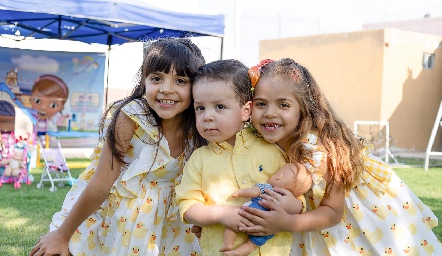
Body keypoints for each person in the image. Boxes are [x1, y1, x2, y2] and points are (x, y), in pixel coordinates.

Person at [238, 58, 442, 255]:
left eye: (283, 105)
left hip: (353, 218)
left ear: (303, 108)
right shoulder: (256, 140)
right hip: (304, 216)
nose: (270, 113)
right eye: (261, 104)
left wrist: (287, 223)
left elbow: (333, 212)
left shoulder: (320, 150)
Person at [29, 38, 206, 256]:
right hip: (118, 217)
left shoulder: (200, 126)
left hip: (170, 225)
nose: (166, 89)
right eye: (157, 78)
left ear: (196, 85)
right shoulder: (132, 116)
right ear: (144, 81)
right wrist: (62, 235)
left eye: (180, 80)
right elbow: (100, 183)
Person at [175, 59, 294, 256]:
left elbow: (294, 195)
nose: (207, 116)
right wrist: (221, 215)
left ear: (246, 111)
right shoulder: (199, 159)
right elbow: (187, 207)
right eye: (200, 108)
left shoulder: (272, 149)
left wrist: (286, 210)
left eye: (219, 106)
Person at [222, 162, 310, 256]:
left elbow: (253, 192)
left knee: (233, 226)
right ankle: (238, 252)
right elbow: (296, 211)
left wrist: (240, 193)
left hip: (250, 215)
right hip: (268, 229)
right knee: (252, 245)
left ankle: (228, 244)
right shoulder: (289, 201)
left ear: (278, 176)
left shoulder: (268, 188)